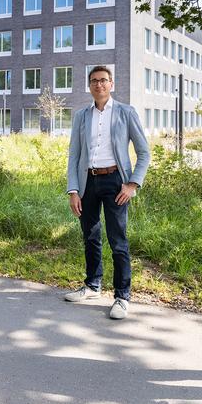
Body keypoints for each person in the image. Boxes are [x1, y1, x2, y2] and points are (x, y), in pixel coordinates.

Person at [64, 65, 150, 319]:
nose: (98, 85)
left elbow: (144, 152)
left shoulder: (125, 112)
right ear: (89, 85)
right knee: (90, 236)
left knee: (117, 240)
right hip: (87, 182)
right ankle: (92, 285)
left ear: (111, 84)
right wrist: (73, 190)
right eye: (94, 81)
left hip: (115, 182)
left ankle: (122, 297)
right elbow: (74, 155)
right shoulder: (81, 116)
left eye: (103, 80)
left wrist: (132, 184)